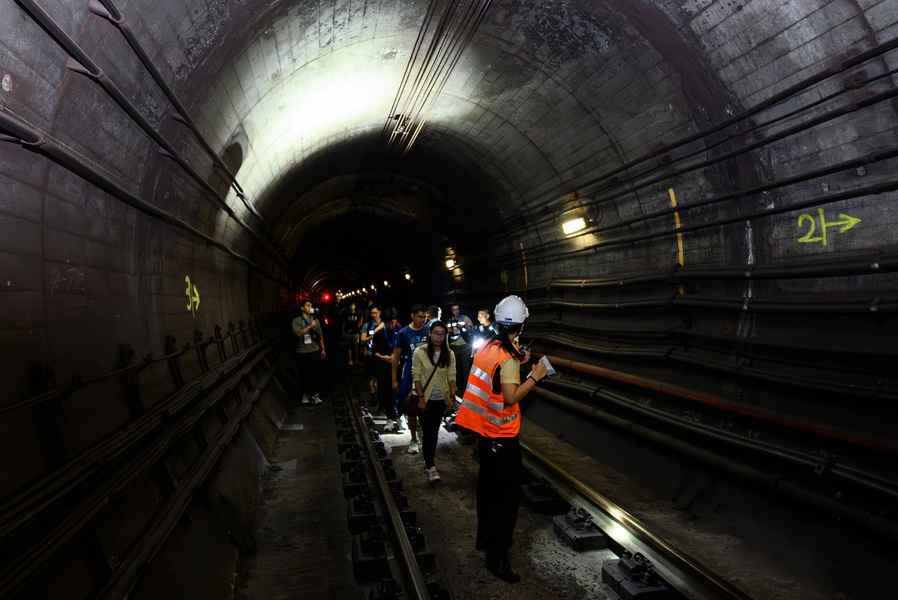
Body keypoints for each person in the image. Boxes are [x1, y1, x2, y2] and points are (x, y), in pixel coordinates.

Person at [454, 295, 548, 583]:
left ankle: (485, 542)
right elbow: (509, 396)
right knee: (505, 503)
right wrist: (535, 376)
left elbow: (496, 372)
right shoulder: (507, 359)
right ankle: (498, 560)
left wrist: (519, 358)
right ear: (520, 326)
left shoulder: (488, 347)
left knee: (486, 494)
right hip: (503, 440)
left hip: (485, 436)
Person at [412, 320, 456, 483]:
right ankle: (430, 466)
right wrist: (421, 398)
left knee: (434, 432)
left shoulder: (449, 353)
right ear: (429, 334)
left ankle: (429, 461)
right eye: (436, 333)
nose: (439, 337)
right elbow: (416, 377)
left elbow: (452, 376)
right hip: (426, 399)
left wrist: (451, 396)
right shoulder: (419, 352)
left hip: (440, 400)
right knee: (428, 432)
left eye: (442, 334)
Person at [392, 304, 428, 454]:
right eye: (420, 316)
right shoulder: (403, 333)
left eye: (425, 317)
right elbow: (396, 357)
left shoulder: (429, 330)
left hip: (428, 372)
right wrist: (394, 379)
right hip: (411, 373)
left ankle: (427, 436)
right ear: (412, 316)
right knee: (411, 406)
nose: (423, 320)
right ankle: (413, 438)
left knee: (427, 407)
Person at [292, 300, 327, 405]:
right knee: (304, 374)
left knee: (315, 373)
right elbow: (298, 333)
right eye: (308, 305)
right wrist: (310, 326)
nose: (310, 307)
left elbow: (320, 335)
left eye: (311, 305)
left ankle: (315, 395)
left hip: (314, 350)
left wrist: (323, 349)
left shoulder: (315, 320)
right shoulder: (297, 321)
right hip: (302, 351)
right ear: (302, 308)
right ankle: (305, 395)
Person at [373, 307, 401, 422]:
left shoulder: (400, 332)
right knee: (384, 389)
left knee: (395, 390)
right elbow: (374, 352)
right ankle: (386, 409)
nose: (392, 324)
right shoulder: (379, 334)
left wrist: (396, 357)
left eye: (393, 321)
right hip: (383, 366)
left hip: (397, 365)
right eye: (389, 322)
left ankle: (394, 412)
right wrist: (384, 358)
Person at [446, 303, 474, 402]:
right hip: (454, 347)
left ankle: (466, 390)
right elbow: (446, 333)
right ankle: (457, 390)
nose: (455, 311)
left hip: (465, 346)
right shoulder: (449, 320)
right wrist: (448, 331)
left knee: (465, 369)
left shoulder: (465, 318)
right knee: (456, 369)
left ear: (460, 310)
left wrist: (463, 328)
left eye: (457, 309)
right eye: (453, 309)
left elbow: (471, 330)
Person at [360, 305, 383, 404]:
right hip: (370, 354)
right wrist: (371, 336)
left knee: (379, 377)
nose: (373, 315)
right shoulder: (367, 325)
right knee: (371, 376)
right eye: (372, 313)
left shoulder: (384, 324)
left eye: (375, 313)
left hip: (382, 355)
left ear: (380, 312)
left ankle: (380, 395)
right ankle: (373, 395)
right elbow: (362, 339)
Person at [342, 302, 362, 367]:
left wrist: (357, 329)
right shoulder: (346, 314)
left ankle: (356, 361)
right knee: (349, 347)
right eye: (351, 305)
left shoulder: (358, 313)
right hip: (348, 333)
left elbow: (360, 322)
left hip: (355, 333)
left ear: (355, 306)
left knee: (356, 347)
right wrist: (344, 332)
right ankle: (350, 360)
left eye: (353, 305)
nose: (352, 306)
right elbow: (344, 323)